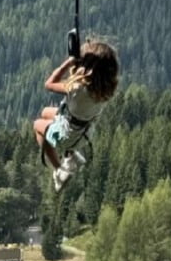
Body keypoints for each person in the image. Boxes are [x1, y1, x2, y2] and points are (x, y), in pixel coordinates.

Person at [31, 40, 120, 192]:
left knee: (37, 125)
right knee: (46, 112)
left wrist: (68, 63)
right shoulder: (105, 91)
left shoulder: (77, 88)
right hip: (83, 132)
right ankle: (72, 155)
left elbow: (49, 84)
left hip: (67, 135)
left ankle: (59, 170)